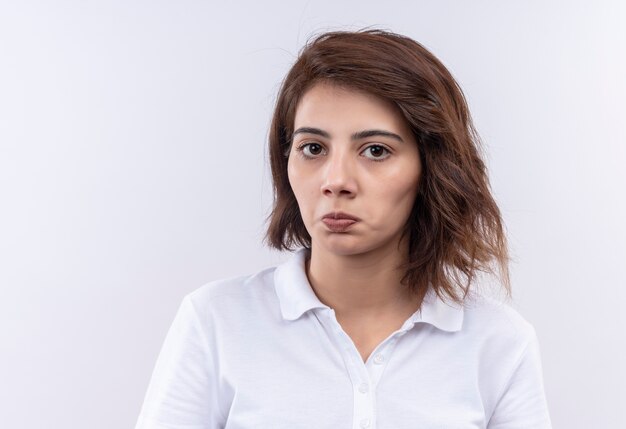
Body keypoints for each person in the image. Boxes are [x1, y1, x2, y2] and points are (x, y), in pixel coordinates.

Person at [135, 28, 552, 428]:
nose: (335, 180)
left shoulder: (498, 343)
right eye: (313, 148)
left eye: (375, 150)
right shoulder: (216, 321)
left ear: (433, 167)